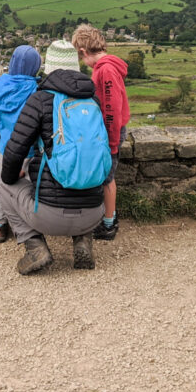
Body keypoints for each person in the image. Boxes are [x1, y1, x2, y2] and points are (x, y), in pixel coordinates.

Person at [0, 40, 106, 274]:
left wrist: (15, 175)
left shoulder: (40, 100)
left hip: (48, 215)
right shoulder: (93, 101)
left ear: (48, 66)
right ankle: (83, 240)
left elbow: (14, 152)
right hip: (95, 212)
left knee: (2, 184)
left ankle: (34, 245)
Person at [71, 23, 129, 240]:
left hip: (109, 133)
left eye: (80, 57)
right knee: (105, 176)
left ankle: (108, 224)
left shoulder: (105, 70)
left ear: (84, 52)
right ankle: (107, 218)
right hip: (107, 132)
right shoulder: (106, 66)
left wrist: (111, 142)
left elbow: (111, 109)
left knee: (107, 177)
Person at [0, 44, 41, 243]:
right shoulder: (37, 89)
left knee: (4, 186)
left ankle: (0, 225)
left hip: (6, 148)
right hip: (32, 148)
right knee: (32, 187)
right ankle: (32, 225)